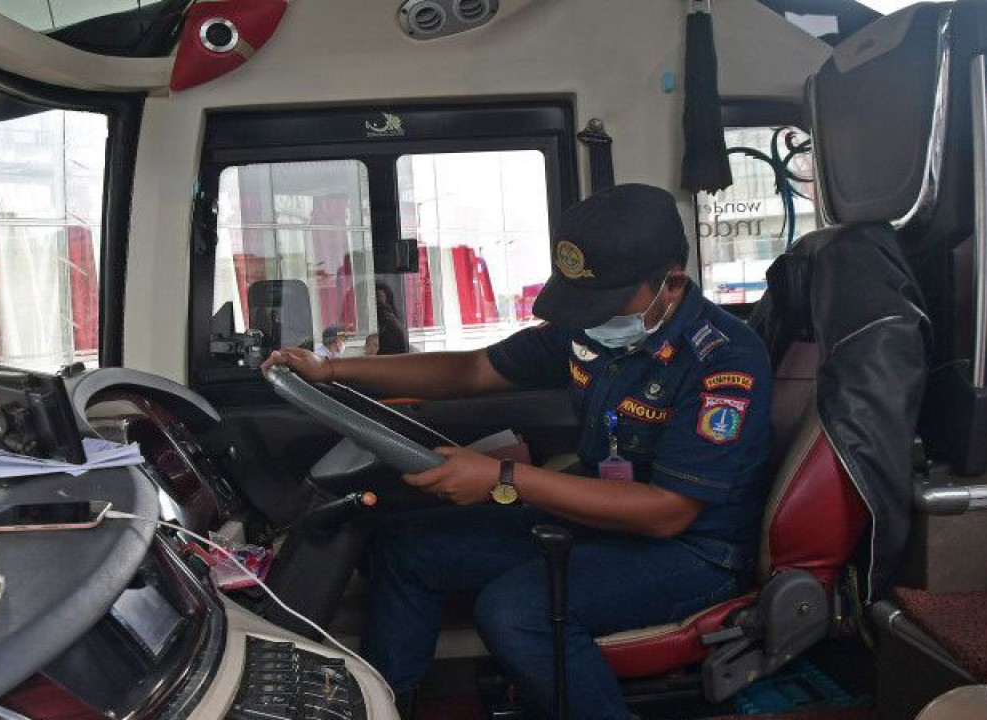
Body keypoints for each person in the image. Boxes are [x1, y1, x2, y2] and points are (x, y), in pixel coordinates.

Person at [262, 184, 773, 720]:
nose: (588, 318)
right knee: (407, 551)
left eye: (602, 303)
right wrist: (334, 371)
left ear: (669, 283)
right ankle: (389, 708)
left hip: (694, 551)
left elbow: (668, 512)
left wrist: (503, 477)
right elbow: (473, 369)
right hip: (601, 516)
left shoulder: (723, 362)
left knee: (515, 611)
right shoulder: (594, 327)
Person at [374, 283, 409, 355]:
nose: (380, 310)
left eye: (382, 305)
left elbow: (403, 344)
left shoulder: (392, 318)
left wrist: (395, 323)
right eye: (377, 305)